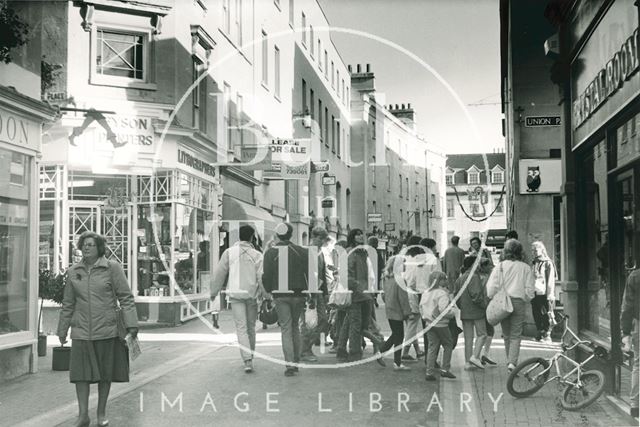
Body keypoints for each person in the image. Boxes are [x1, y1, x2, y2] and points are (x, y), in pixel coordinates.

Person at [57, 231, 138, 427]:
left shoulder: (112, 268)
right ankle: (83, 415)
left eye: (91, 244)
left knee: (104, 374)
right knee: (80, 376)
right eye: (84, 244)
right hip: (81, 331)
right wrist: (62, 330)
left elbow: (126, 298)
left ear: (99, 248)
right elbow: (68, 303)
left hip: (106, 330)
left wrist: (132, 325)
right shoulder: (73, 271)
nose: (86, 247)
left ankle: (101, 414)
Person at [211, 225, 266, 373]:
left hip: (235, 295)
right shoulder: (257, 255)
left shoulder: (230, 253)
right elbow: (261, 278)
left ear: (239, 236)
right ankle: (251, 355)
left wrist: (214, 292)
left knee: (241, 328)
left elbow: (219, 273)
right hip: (252, 295)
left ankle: (247, 360)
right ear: (251, 237)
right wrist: (266, 295)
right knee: (251, 328)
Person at [262, 223, 309, 376]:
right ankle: (296, 361)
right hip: (299, 293)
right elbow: (309, 274)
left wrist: (269, 291)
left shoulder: (270, 253)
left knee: (286, 328)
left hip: (280, 295)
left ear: (277, 235)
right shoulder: (302, 251)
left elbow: (266, 275)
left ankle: (289, 364)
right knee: (295, 326)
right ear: (291, 234)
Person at [486, 239, 535, 372]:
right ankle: (512, 363)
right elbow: (530, 289)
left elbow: (491, 287)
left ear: (505, 251)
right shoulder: (525, 268)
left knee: (506, 334)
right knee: (516, 334)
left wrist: (492, 297)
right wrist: (525, 298)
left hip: (503, 302)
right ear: (520, 252)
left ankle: (510, 361)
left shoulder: (500, 266)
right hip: (518, 302)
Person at [336, 228, 377, 362]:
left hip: (363, 292)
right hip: (355, 292)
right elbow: (347, 274)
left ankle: (341, 349)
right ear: (352, 237)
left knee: (349, 322)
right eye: (357, 235)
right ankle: (354, 352)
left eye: (361, 234)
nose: (360, 237)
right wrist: (357, 286)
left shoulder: (362, 252)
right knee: (355, 323)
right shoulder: (351, 253)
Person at [300, 226, 331, 362]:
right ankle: (305, 350)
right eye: (321, 239)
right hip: (308, 292)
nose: (323, 242)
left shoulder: (320, 253)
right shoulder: (306, 251)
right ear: (315, 237)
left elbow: (322, 273)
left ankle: (305, 347)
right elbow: (303, 273)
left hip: (318, 291)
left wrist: (325, 292)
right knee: (309, 322)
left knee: (323, 320)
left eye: (324, 239)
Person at [420, 271, 457, 380]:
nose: (446, 280)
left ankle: (429, 372)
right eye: (444, 279)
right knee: (448, 344)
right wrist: (452, 313)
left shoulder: (425, 292)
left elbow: (421, 308)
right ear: (439, 281)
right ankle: (445, 369)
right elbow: (443, 309)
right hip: (441, 324)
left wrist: (425, 317)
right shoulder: (442, 293)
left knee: (432, 347)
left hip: (429, 323)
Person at [454, 256, 487, 370]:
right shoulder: (473, 276)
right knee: (482, 334)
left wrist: (462, 307)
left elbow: (456, 297)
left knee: (468, 338)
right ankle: (475, 357)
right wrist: (484, 306)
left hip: (465, 311)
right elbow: (477, 296)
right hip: (477, 311)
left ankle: (467, 363)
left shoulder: (460, 278)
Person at [380, 255, 412, 371]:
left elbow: (383, 295)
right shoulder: (400, 280)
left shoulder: (386, 278)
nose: (405, 265)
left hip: (390, 309)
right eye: (403, 263)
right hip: (398, 311)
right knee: (399, 337)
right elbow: (403, 298)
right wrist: (408, 312)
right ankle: (396, 362)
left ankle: (383, 353)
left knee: (396, 335)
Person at [401, 235, 425, 362]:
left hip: (404, 292)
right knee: (412, 323)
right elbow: (415, 279)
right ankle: (405, 351)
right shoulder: (418, 260)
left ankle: (418, 350)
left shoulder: (406, 258)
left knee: (411, 324)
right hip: (413, 293)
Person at [620, 268, 639, 418]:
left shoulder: (635, 276)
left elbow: (627, 307)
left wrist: (625, 332)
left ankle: (635, 405)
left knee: (638, 365)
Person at [530, 241, 557, 343]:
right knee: (536, 313)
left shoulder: (547, 262)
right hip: (534, 292)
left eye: (536, 250)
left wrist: (550, 294)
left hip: (544, 293)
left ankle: (547, 334)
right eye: (532, 250)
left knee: (545, 313)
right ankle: (539, 333)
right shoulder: (534, 262)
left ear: (542, 250)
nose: (534, 252)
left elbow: (550, 279)